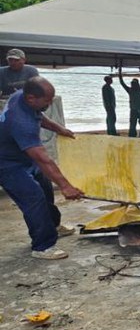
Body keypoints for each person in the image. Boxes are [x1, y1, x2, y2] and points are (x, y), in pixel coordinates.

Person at [0, 77, 85, 260]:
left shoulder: (19, 96)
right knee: (34, 198)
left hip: (21, 156)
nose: (49, 103)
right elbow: (43, 159)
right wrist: (66, 186)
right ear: (31, 98)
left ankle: (53, 225)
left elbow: (39, 115)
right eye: (47, 101)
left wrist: (58, 128)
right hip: (7, 164)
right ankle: (42, 246)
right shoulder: (21, 123)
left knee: (46, 189)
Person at [118, 67, 140, 138]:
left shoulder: (136, 89)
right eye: (133, 83)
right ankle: (135, 136)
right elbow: (122, 83)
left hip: (138, 109)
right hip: (136, 110)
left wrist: (120, 72)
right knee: (135, 124)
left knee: (139, 124)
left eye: (134, 83)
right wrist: (120, 72)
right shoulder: (136, 89)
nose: (133, 84)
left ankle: (138, 136)